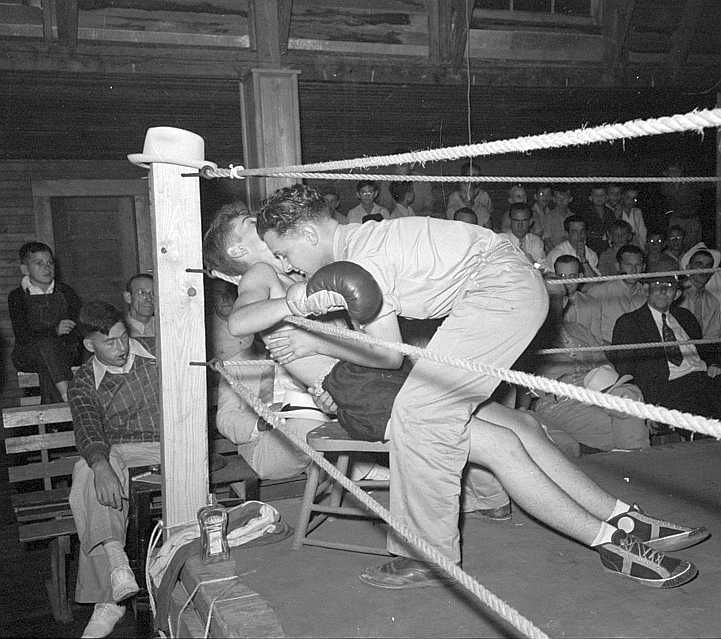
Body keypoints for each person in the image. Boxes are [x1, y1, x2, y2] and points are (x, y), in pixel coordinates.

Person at [256, 184, 705, 590]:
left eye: (284, 253)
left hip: (498, 292)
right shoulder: (370, 237)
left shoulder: (356, 263)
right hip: (513, 285)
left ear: (308, 235)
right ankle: (623, 520)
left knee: (419, 415)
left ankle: (430, 556)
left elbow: (390, 355)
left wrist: (311, 334)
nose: (284, 264)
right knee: (494, 426)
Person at [202, 205, 510, 510]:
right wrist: (297, 303)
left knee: (465, 413)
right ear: (238, 251)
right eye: (249, 222)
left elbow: (344, 339)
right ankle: (488, 493)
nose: (259, 222)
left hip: (364, 371)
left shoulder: (301, 273)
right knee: (453, 425)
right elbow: (239, 321)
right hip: (353, 384)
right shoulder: (261, 273)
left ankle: (487, 491)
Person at [67, 301, 159, 638]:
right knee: (89, 470)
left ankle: (109, 594)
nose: (121, 348)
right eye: (110, 342)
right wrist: (100, 463)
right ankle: (117, 567)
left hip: (166, 445)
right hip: (121, 453)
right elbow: (88, 428)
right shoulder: (83, 383)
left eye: (123, 338)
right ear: (90, 345)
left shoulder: (156, 353)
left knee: (88, 473)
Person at [532, 256, 649, 455]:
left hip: (597, 389)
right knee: (623, 426)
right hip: (561, 400)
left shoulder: (580, 330)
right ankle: (638, 466)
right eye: (546, 298)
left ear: (566, 301)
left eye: (557, 299)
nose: (551, 304)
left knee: (629, 395)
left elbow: (604, 365)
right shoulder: (530, 335)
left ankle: (633, 466)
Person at [610, 275, 721, 431]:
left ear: (676, 294)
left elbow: (706, 351)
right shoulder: (630, 322)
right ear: (646, 290)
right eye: (657, 285)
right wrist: (643, 405)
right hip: (667, 387)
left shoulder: (685, 317)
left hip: (704, 379)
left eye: (669, 286)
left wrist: (714, 364)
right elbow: (625, 369)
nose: (663, 290)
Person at [8, 241, 82, 402]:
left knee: (49, 358)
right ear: (25, 269)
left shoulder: (66, 292)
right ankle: (68, 396)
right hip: (28, 354)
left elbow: (78, 329)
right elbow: (22, 335)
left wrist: (65, 336)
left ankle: (56, 417)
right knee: (46, 345)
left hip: (64, 351)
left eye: (50, 263)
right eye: (39, 263)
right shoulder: (17, 296)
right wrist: (53, 331)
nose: (47, 268)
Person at [586, 245, 648, 344]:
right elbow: (585, 327)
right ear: (618, 266)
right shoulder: (599, 292)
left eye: (638, 265)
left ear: (643, 267)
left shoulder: (648, 295)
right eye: (628, 265)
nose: (634, 270)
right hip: (606, 352)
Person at [677, 247, 721, 345]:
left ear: (712, 272)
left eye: (708, 266)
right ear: (688, 268)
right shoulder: (676, 295)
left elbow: (713, 335)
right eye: (699, 264)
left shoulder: (713, 302)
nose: (704, 269)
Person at [445, 160, 492, 228]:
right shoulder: (454, 196)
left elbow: (488, 212)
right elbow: (450, 215)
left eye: (477, 176)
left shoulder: (484, 195)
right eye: (471, 176)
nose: (474, 179)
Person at [501, 202, 546, 268]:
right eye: (516, 221)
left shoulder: (536, 241)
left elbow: (543, 269)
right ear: (510, 221)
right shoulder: (501, 241)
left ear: (530, 222)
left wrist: (533, 263)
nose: (520, 225)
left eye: (524, 221)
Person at [582, 185, 615, 255]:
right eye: (596, 195)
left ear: (607, 197)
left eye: (602, 195)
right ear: (590, 198)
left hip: (607, 249)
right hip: (591, 249)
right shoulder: (585, 214)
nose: (599, 197)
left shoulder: (610, 213)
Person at [542, 185, 574, 252]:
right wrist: (556, 252)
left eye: (564, 198)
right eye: (559, 198)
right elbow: (547, 239)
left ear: (570, 199)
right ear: (554, 199)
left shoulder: (573, 217)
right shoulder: (549, 216)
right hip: (553, 252)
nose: (561, 201)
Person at [123, 272, 155, 338]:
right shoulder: (120, 329)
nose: (149, 298)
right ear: (128, 297)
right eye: (142, 293)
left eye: (153, 293)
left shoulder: (166, 327)